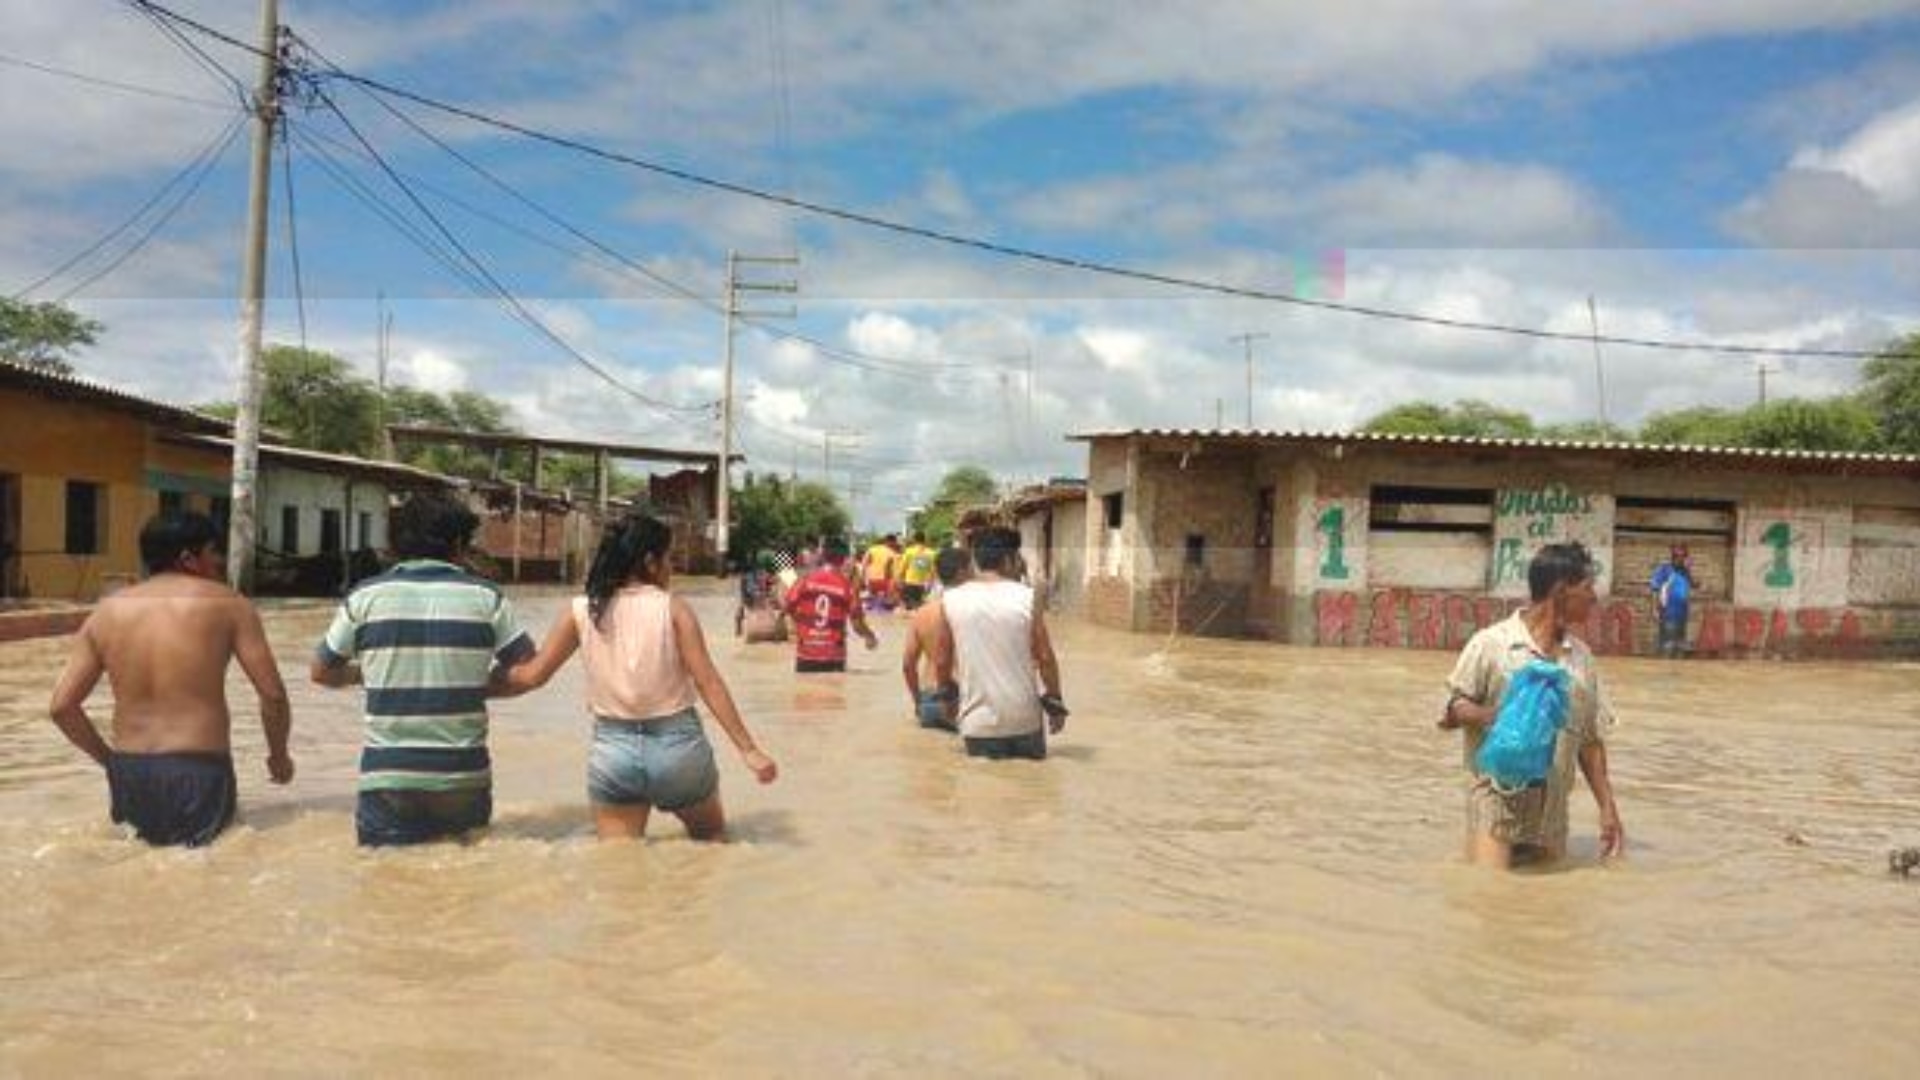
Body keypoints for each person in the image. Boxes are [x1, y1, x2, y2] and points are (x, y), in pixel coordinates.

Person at [491, 513, 777, 840]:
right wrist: (748, 749)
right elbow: (707, 681)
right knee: (711, 846)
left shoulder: (582, 610)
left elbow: (532, 676)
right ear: (650, 562)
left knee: (619, 869)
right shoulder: (673, 608)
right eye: (668, 558)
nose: (671, 568)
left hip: (613, 752)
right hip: (678, 750)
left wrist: (470, 686)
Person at [48, 511, 293, 847]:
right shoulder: (228, 604)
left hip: (131, 771)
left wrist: (110, 762)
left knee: (140, 877)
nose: (219, 560)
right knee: (205, 879)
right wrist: (278, 756)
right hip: (199, 769)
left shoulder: (106, 612)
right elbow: (273, 695)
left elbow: (62, 707)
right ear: (189, 559)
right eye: (214, 551)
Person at [311, 491, 534, 847]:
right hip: (462, 777)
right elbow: (525, 670)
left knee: (385, 886)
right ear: (459, 543)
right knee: (462, 890)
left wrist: (365, 675)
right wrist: (469, 681)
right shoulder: (487, 598)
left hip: (388, 779)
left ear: (398, 543)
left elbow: (321, 672)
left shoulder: (364, 597)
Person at [1438, 542, 1624, 869]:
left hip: (1552, 814)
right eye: (1588, 586)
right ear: (1561, 590)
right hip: (1495, 804)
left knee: (1545, 910)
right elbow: (1451, 712)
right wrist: (1493, 715)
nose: (1594, 597)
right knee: (1489, 893)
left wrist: (1608, 808)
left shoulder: (1581, 660)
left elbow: (1590, 741)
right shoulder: (1492, 645)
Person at [934, 527, 1066, 760]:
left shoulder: (950, 599)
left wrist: (946, 698)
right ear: (1010, 559)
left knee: (983, 792)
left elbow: (942, 659)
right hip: (1025, 720)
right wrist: (1055, 702)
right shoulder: (1027, 597)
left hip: (978, 723)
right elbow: (1045, 657)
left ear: (975, 559)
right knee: (1032, 792)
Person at [901, 546, 973, 731]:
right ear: (963, 572)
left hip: (930, 702)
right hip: (966, 701)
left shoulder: (922, 614)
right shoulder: (977, 611)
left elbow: (908, 665)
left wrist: (917, 701)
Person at [785, 536, 878, 673]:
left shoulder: (805, 580)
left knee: (802, 692)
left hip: (806, 653)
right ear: (843, 558)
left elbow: (788, 606)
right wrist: (870, 636)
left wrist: (802, 627)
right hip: (833, 656)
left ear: (822, 555)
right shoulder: (847, 587)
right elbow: (857, 624)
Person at [1650, 545, 1694, 658]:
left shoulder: (1684, 572)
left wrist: (1689, 570)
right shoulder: (1664, 569)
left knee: (1679, 644)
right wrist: (1654, 608)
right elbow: (1655, 589)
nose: (1680, 559)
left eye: (1683, 556)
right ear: (1673, 557)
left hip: (1682, 614)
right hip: (1668, 612)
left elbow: (1691, 586)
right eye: (1677, 556)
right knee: (1667, 643)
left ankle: (1677, 670)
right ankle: (1664, 667)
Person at [735, 552, 788, 643]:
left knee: (743, 607)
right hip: (772, 633)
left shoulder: (746, 580)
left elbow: (739, 614)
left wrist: (738, 629)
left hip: (751, 633)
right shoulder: (776, 580)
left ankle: (740, 631)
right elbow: (784, 605)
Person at [898, 532, 938, 610]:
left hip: (910, 582)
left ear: (914, 540)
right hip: (924, 584)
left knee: (909, 608)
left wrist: (899, 580)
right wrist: (931, 584)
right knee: (920, 607)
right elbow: (934, 571)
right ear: (925, 540)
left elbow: (902, 568)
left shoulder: (909, 551)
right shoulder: (932, 553)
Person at [863, 533, 901, 612]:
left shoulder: (872, 549)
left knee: (872, 603)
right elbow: (895, 572)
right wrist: (897, 584)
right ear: (891, 542)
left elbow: (864, 564)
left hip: (871, 579)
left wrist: (863, 578)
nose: (894, 545)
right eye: (894, 543)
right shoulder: (892, 553)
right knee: (882, 605)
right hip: (884, 581)